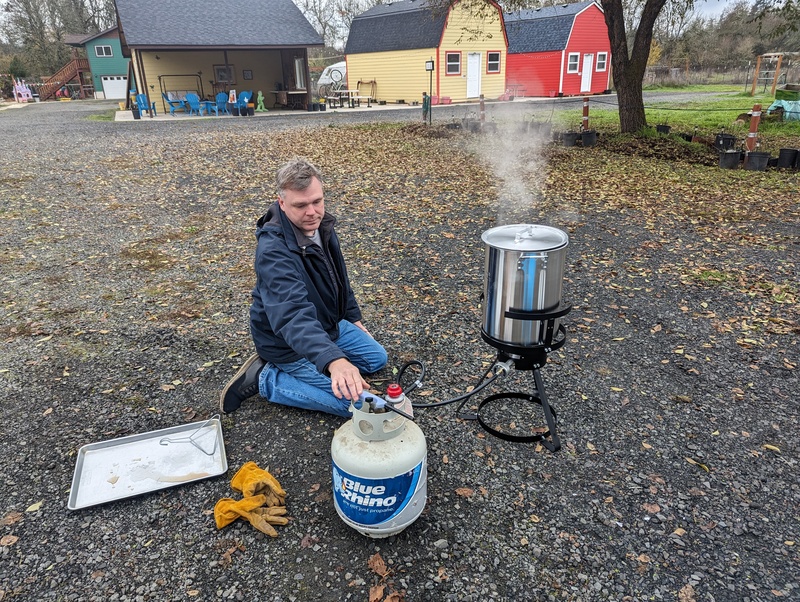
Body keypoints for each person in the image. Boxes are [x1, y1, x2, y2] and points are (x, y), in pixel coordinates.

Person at [220, 158, 387, 417]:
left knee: (377, 359)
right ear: (282, 203)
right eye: (301, 205)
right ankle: (268, 378)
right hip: (288, 342)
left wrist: (353, 317)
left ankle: (324, 356)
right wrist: (334, 361)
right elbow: (292, 315)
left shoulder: (322, 226)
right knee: (361, 407)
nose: (312, 212)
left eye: (317, 201)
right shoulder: (273, 252)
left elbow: (339, 277)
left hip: (328, 325)